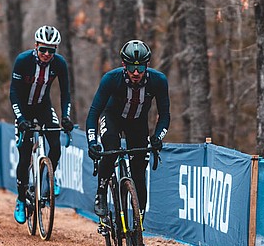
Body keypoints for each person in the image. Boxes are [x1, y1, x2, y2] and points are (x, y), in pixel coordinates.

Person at [85, 40, 170, 219]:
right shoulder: (111, 79)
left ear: (148, 65)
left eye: (140, 68)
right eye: (131, 67)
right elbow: (94, 113)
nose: (136, 73)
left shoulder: (158, 81)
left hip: (137, 123)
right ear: (124, 65)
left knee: (139, 174)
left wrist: (158, 137)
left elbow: (164, 116)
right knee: (111, 150)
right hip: (112, 118)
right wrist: (92, 141)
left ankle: (139, 227)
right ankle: (101, 192)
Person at [9, 25, 73, 224]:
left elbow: (65, 93)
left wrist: (66, 117)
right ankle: (21, 199)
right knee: (25, 153)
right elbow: (13, 93)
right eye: (43, 49)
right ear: (35, 46)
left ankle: (49, 179)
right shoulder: (23, 61)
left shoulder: (59, 64)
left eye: (51, 50)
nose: (46, 54)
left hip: (43, 106)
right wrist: (20, 119)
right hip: (24, 109)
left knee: (55, 144)